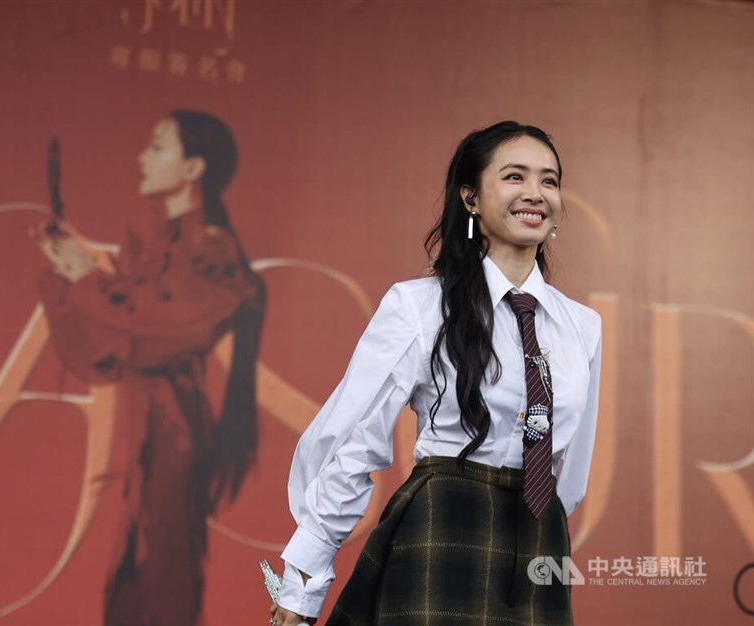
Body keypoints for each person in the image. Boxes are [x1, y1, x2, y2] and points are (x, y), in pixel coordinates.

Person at [269, 121, 601, 626]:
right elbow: (356, 438)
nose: (535, 193)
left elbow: (571, 475)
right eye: (515, 177)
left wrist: (544, 533)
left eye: (549, 180)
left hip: (539, 541)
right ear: (471, 198)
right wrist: (304, 581)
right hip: (441, 524)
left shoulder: (582, 326)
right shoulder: (421, 306)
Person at [37, 110, 266, 626]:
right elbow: (104, 353)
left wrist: (84, 283)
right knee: (133, 581)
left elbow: (160, 328)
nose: (143, 157)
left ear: (192, 168)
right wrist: (65, 282)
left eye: (158, 146)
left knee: (163, 580)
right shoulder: (167, 250)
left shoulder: (210, 248)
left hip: (173, 437)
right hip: (146, 436)